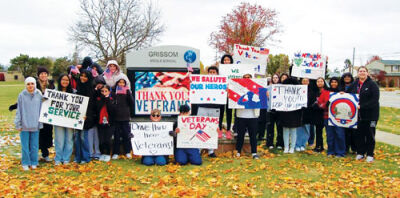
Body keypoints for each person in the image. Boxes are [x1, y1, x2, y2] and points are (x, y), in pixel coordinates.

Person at [194, 66, 231, 158]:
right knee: (200, 127)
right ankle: (199, 149)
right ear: (208, 73)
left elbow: (227, 94)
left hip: (215, 108)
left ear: (217, 73)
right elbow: (195, 88)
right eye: (210, 72)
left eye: (214, 72)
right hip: (202, 106)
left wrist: (227, 90)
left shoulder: (222, 82)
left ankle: (211, 150)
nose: (212, 73)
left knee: (213, 128)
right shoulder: (202, 81)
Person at [346, 66, 380, 162]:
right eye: (360, 71)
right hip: (359, 115)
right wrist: (341, 94)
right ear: (357, 73)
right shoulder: (355, 84)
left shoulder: (372, 84)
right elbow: (348, 94)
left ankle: (370, 154)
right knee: (359, 134)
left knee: (370, 134)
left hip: (371, 115)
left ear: (367, 73)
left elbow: (375, 100)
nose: (362, 73)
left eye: (364, 71)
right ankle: (360, 153)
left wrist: (362, 106)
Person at [14, 77, 43, 171]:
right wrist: (18, 123)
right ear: (25, 85)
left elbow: (41, 109)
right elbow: (19, 110)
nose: (30, 86)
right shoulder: (21, 95)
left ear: (35, 84)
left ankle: (34, 162)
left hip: (35, 124)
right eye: (28, 84)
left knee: (34, 145)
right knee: (25, 146)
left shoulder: (39, 94)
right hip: (24, 125)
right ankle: (26, 162)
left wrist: (40, 123)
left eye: (32, 84)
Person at [318, 77, 346, 157]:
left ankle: (340, 152)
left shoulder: (342, 93)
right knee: (330, 135)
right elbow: (320, 104)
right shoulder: (326, 92)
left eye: (335, 82)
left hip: (339, 117)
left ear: (338, 83)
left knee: (340, 134)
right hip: (328, 117)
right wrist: (325, 105)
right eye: (332, 82)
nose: (334, 84)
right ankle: (330, 151)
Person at [235, 74, 260, 159]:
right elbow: (238, 102)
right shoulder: (238, 87)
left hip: (253, 116)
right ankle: (238, 151)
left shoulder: (256, 88)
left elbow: (262, 98)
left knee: (253, 135)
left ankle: (254, 152)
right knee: (240, 135)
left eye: (248, 77)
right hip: (241, 116)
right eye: (244, 77)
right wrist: (242, 95)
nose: (246, 79)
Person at [54, 74, 75, 165]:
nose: (65, 81)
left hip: (69, 120)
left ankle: (66, 158)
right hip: (58, 120)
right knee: (59, 139)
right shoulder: (54, 92)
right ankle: (58, 158)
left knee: (69, 139)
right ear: (59, 80)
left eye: (67, 80)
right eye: (63, 79)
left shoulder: (74, 93)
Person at [74, 70, 95, 164]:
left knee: (83, 137)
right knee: (76, 137)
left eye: (85, 76)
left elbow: (92, 105)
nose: (83, 78)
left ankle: (85, 157)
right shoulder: (78, 88)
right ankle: (78, 157)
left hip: (86, 117)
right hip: (76, 117)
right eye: (81, 76)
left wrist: (88, 116)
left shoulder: (91, 89)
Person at [36, 67, 55, 162]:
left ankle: (45, 154)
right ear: (38, 75)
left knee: (47, 132)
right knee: (39, 133)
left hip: (48, 113)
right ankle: (36, 153)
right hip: (37, 112)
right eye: (41, 74)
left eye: (45, 73)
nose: (43, 75)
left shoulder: (51, 85)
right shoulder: (35, 85)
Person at [111, 78, 134, 159]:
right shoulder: (114, 91)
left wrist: (128, 92)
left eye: (123, 83)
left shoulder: (127, 91)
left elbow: (132, 102)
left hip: (125, 117)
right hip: (116, 117)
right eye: (120, 83)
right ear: (117, 83)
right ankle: (116, 152)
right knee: (116, 136)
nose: (121, 84)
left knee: (126, 135)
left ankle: (128, 151)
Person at [279, 77, 302, 154]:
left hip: (295, 112)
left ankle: (292, 147)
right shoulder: (282, 91)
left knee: (293, 130)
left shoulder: (298, 91)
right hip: (285, 112)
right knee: (285, 130)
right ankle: (286, 147)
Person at [95, 85, 115, 162]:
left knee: (107, 139)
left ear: (109, 92)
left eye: (105, 91)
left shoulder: (111, 99)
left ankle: (107, 154)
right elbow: (97, 108)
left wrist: (107, 99)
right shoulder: (98, 99)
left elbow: (112, 110)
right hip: (100, 122)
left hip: (109, 123)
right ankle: (102, 153)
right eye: (102, 91)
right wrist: (102, 99)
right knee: (101, 139)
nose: (104, 93)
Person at [340, 72, 357, 154]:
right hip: (342, 111)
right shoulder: (340, 87)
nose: (347, 78)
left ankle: (354, 148)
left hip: (352, 110)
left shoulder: (355, 86)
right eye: (345, 77)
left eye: (348, 77)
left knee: (353, 131)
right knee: (345, 131)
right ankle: (346, 147)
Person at [295, 78, 314, 151]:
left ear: (309, 82)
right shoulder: (297, 90)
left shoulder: (311, 91)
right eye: (303, 81)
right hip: (299, 112)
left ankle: (303, 144)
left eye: (306, 81)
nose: (305, 82)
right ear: (301, 82)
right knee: (298, 129)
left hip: (308, 113)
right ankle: (297, 145)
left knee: (306, 129)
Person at [266, 73, 284, 149]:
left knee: (280, 127)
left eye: (277, 78)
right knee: (270, 127)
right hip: (270, 110)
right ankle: (270, 143)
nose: (275, 79)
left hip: (279, 110)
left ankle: (279, 143)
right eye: (274, 78)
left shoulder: (282, 88)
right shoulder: (268, 88)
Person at [220, 54, 235, 136]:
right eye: (225, 60)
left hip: (230, 94)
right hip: (221, 93)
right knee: (221, 112)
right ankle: (220, 129)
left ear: (231, 61)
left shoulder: (234, 70)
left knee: (229, 113)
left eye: (228, 60)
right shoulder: (220, 70)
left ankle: (228, 130)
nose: (226, 61)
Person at [312, 77, 328, 153]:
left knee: (327, 132)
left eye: (321, 81)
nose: (320, 83)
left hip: (325, 113)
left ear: (324, 82)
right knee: (318, 131)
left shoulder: (327, 91)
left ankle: (328, 146)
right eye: (318, 81)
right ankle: (318, 146)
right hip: (317, 114)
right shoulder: (315, 91)